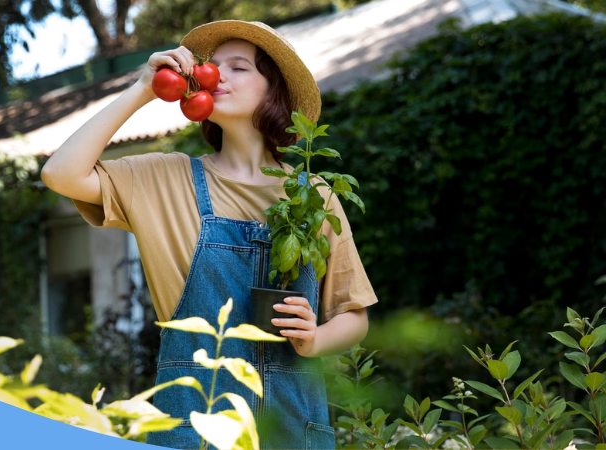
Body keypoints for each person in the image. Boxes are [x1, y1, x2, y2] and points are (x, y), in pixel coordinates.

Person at [41, 19, 378, 450]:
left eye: (238, 67)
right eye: (212, 66)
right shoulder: (165, 178)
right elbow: (60, 173)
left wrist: (314, 340)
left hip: (294, 425)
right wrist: (143, 88)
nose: (217, 75)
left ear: (273, 91)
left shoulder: (314, 196)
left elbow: (354, 315)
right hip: (194, 425)